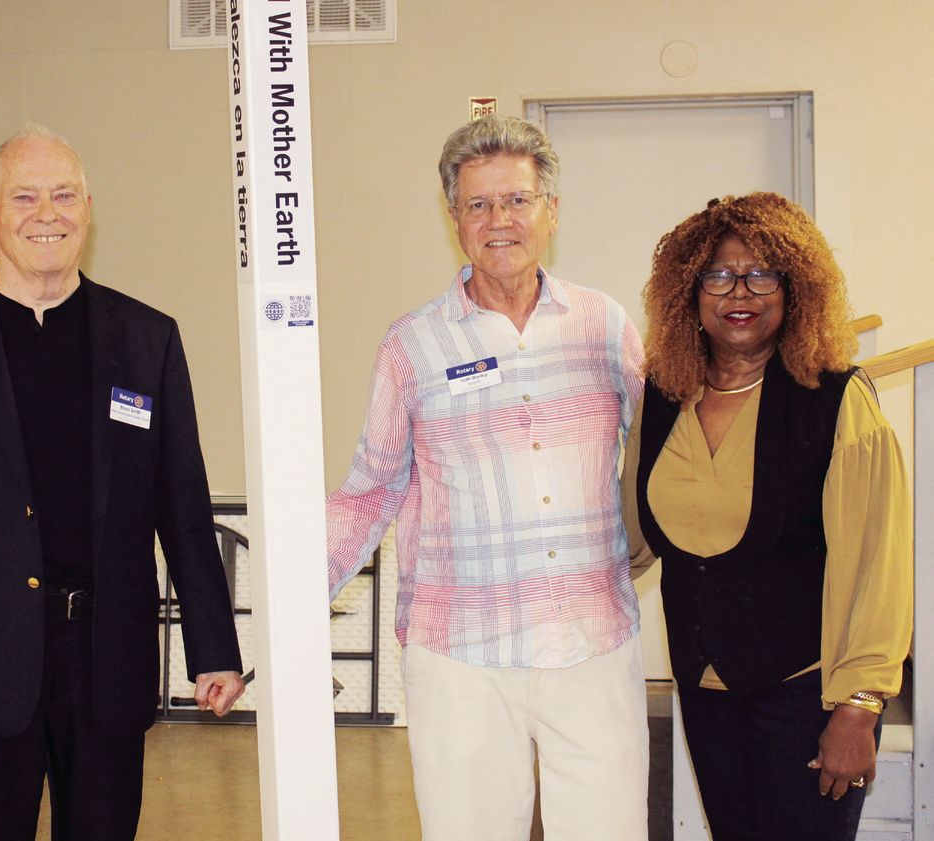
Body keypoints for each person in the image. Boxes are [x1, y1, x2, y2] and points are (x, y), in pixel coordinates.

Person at [0, 125, 244, 841]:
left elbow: (183, 507)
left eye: (65, 195)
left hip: (107, 657)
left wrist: (214, 648)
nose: (48, 214)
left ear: (88, 209)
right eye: (25, 197)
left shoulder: (147, 338)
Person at [327, 114, 649, 841]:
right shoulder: (412, 344)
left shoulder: (603, 325)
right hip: (462, 654)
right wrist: (290, 603)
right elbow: (371, 488)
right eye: (478, 204)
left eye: (517, 200)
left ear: (551, 210)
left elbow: (668, 450)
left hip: (592, 642)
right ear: (455, 220)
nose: (499, 220)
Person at [623, 192, 913, 840]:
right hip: (705, 693)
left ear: (794, 288)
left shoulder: (835, 399)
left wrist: (860, 704)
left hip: (807, 698)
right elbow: (629, 537)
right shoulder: (664, 397)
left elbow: (878, 564)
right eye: (719, 275)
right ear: (689, 290)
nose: (740, 292)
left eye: (761, 274)